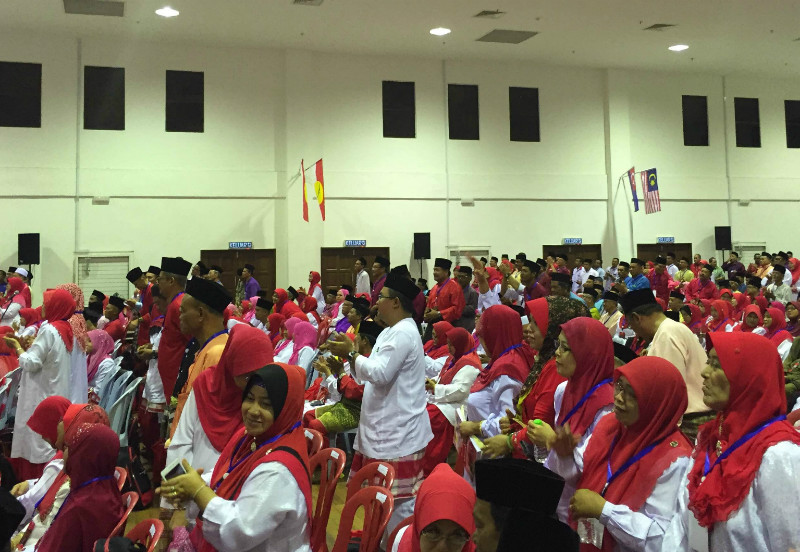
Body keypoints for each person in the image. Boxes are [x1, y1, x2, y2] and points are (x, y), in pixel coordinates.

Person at [662, 332, 800, 551]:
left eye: (716, 365)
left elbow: (789, 543)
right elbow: (680, 522)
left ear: (748, 376)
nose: (704, 373)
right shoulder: (710, 437)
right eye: (708, 362)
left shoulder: (778, 455)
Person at [159, 363, 312, 552]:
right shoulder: (251, 437)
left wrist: (198, 491)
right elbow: (227, 475)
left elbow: (239, 532)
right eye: (250, 398)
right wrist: (190, 486)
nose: (253, 410)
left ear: (286, 408)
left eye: (266, 404)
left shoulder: (278, 471)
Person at [328, 272, 433, 532]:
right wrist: (348, 362)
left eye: (381, 297)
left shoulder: (404, 334)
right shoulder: (390, 331)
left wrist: (351, 354)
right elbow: (370, 372)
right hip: (384, 429)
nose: (376, 303)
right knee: (380, 503)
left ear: (396, 303)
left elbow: (381, 373)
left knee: (398, 509)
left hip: (398, 434)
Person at [569, 356, 693, 552]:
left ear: (656, 404)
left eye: (631, 394)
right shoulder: (612, 425)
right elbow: (581, 468)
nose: (618, 397)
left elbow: (662, 538)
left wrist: (605, 511)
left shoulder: (674, 460)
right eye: (619, 386)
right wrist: (562, 454)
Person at [528, 318, 615, 523]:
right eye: (558, 345)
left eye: (565, 348)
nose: (557, 352)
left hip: (581, 510)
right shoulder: (563, 390)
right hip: (555, 495)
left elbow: (590, 470)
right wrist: (546, 443)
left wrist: (554, 443)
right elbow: (553, 453)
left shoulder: (607, 407)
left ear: (587, 355)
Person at [166, 325, 275, 487]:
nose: (253, 384)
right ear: (231, 365)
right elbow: (182, 441)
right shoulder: (206, 386)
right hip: (192, 486)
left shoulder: (266, 397)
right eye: (246, 376)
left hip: (239, 491)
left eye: (259, 376)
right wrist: (174, 494)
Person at [498, 297, 588, 461]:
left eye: (536, 324)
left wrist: (509, 441)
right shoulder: (545, 360)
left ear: (554, 328)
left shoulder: (557, 367)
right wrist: (517, 424)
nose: (528, 329)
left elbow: (541, 423)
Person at [620, 289, 712, 442]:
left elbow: (670, 392)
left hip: (690, 422)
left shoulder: (666, 335)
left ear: (636, 318)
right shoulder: (671, 329)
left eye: (632, 326)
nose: (636, 333)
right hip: (695, 416)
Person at [6, 289, 76, 480]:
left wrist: (17, 348)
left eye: (47, 303)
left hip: (40, 393)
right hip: (52, 390)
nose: (42, 307)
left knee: (36, 440)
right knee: (45, 440)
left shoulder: (49, 329)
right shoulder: (64, 329)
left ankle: (31, 485)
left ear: (56, 306)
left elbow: (31, 363)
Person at [35, 424, 125, 552]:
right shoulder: (106, 484)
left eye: (68, 447)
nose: (63, 453)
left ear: (82, 455)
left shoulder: (79, 507)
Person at [171, 277, 232, 437]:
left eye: (183, 311)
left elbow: (206, 420)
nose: (180, 317)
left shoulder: (217, 353)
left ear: (200, 314)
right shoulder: (205, 348)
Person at [421, 327, 481, 476]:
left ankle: (430, 464)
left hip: (456, 406)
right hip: (445, 400)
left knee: (429, 418)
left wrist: (436, 388)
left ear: (460, 344)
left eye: (451, 344)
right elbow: (443, 377)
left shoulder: (469, 364)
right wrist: (432, 382)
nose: (448, 348)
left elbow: (461, 390)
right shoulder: (455, 358)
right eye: (447, 343)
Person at [392, 464, 476, 552]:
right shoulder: (401, 543)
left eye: (457, 535)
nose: (442, 548)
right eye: (433, 532)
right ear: (418, 526)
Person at [156, 257, 192, 404]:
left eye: (160, 279)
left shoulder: (179, 306)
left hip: (177, 375)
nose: (158, 283)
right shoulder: (174, 303)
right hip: (170, 374)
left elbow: (193, 341)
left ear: (171, 281)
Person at [424, 258, 465, 341]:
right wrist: (426, 313)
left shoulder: (455, 287)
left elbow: (457, 309)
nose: (434, 273)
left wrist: (439, 313)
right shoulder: (434, 288)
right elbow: (429, 305)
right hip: (432, 325)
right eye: (434, 270)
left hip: (448, 325)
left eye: (437, 270)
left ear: (446, 272)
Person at [86, 329, 116, 398]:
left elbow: (100, 390)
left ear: (100, 343)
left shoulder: (107, 363)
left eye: (89, 341)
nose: (85, 343)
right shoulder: (89, 357)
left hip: (93, 399)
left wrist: (82, 391)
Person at [454, 265, 478, 332]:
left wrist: (456, 308)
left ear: (470, 278)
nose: (460, 279)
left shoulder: (472, 292)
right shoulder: (454, 291)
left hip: (467, 326)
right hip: (455, 325)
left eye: (463, 277)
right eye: (459, 276)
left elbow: (472, 309)